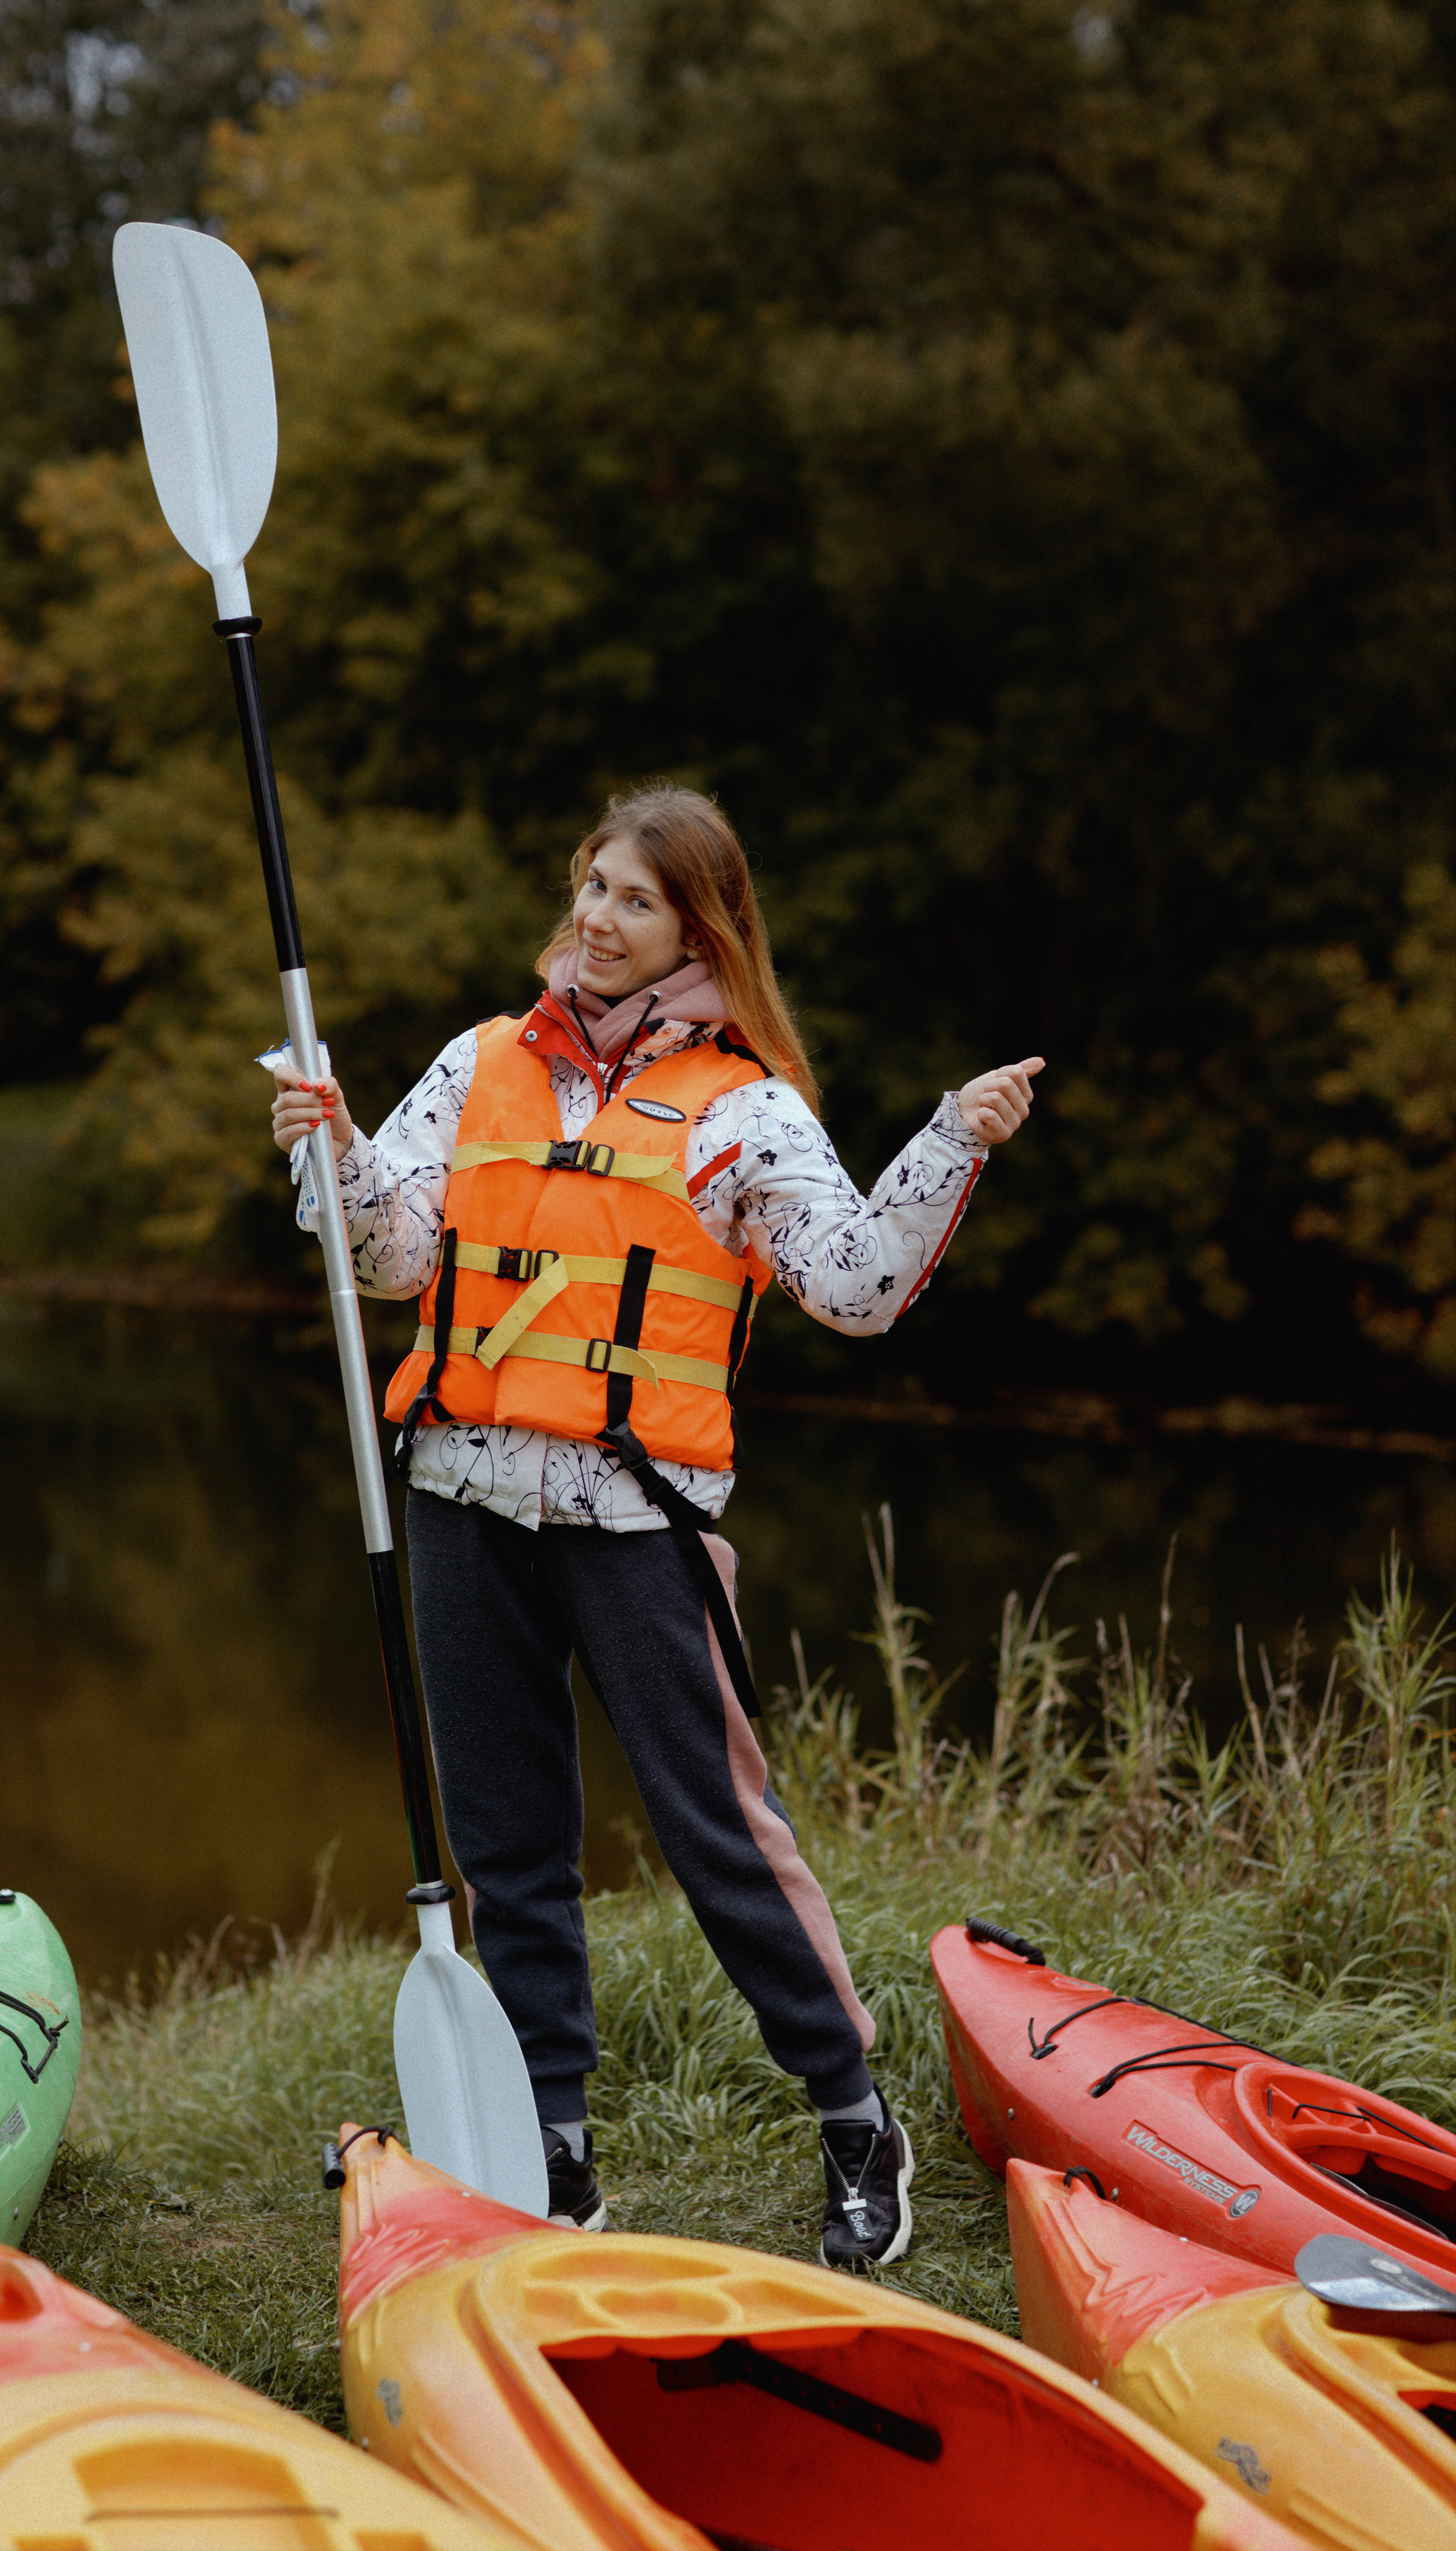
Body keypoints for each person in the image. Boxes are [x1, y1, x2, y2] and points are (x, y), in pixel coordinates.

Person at [266, 785, 1042, 2271]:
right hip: (458, 1500)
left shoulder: (743, 1109)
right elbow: (386, 1257)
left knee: (715, 1834)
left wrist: (953, 1136)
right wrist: (338, 1147)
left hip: (634, 1517)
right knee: (508, 1842)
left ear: (698, 926)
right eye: (587, 888)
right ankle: (555, 2150)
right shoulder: (479, 1061)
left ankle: (849, 2115)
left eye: (630, 898)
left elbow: (861, 1287)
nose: (593, 918)